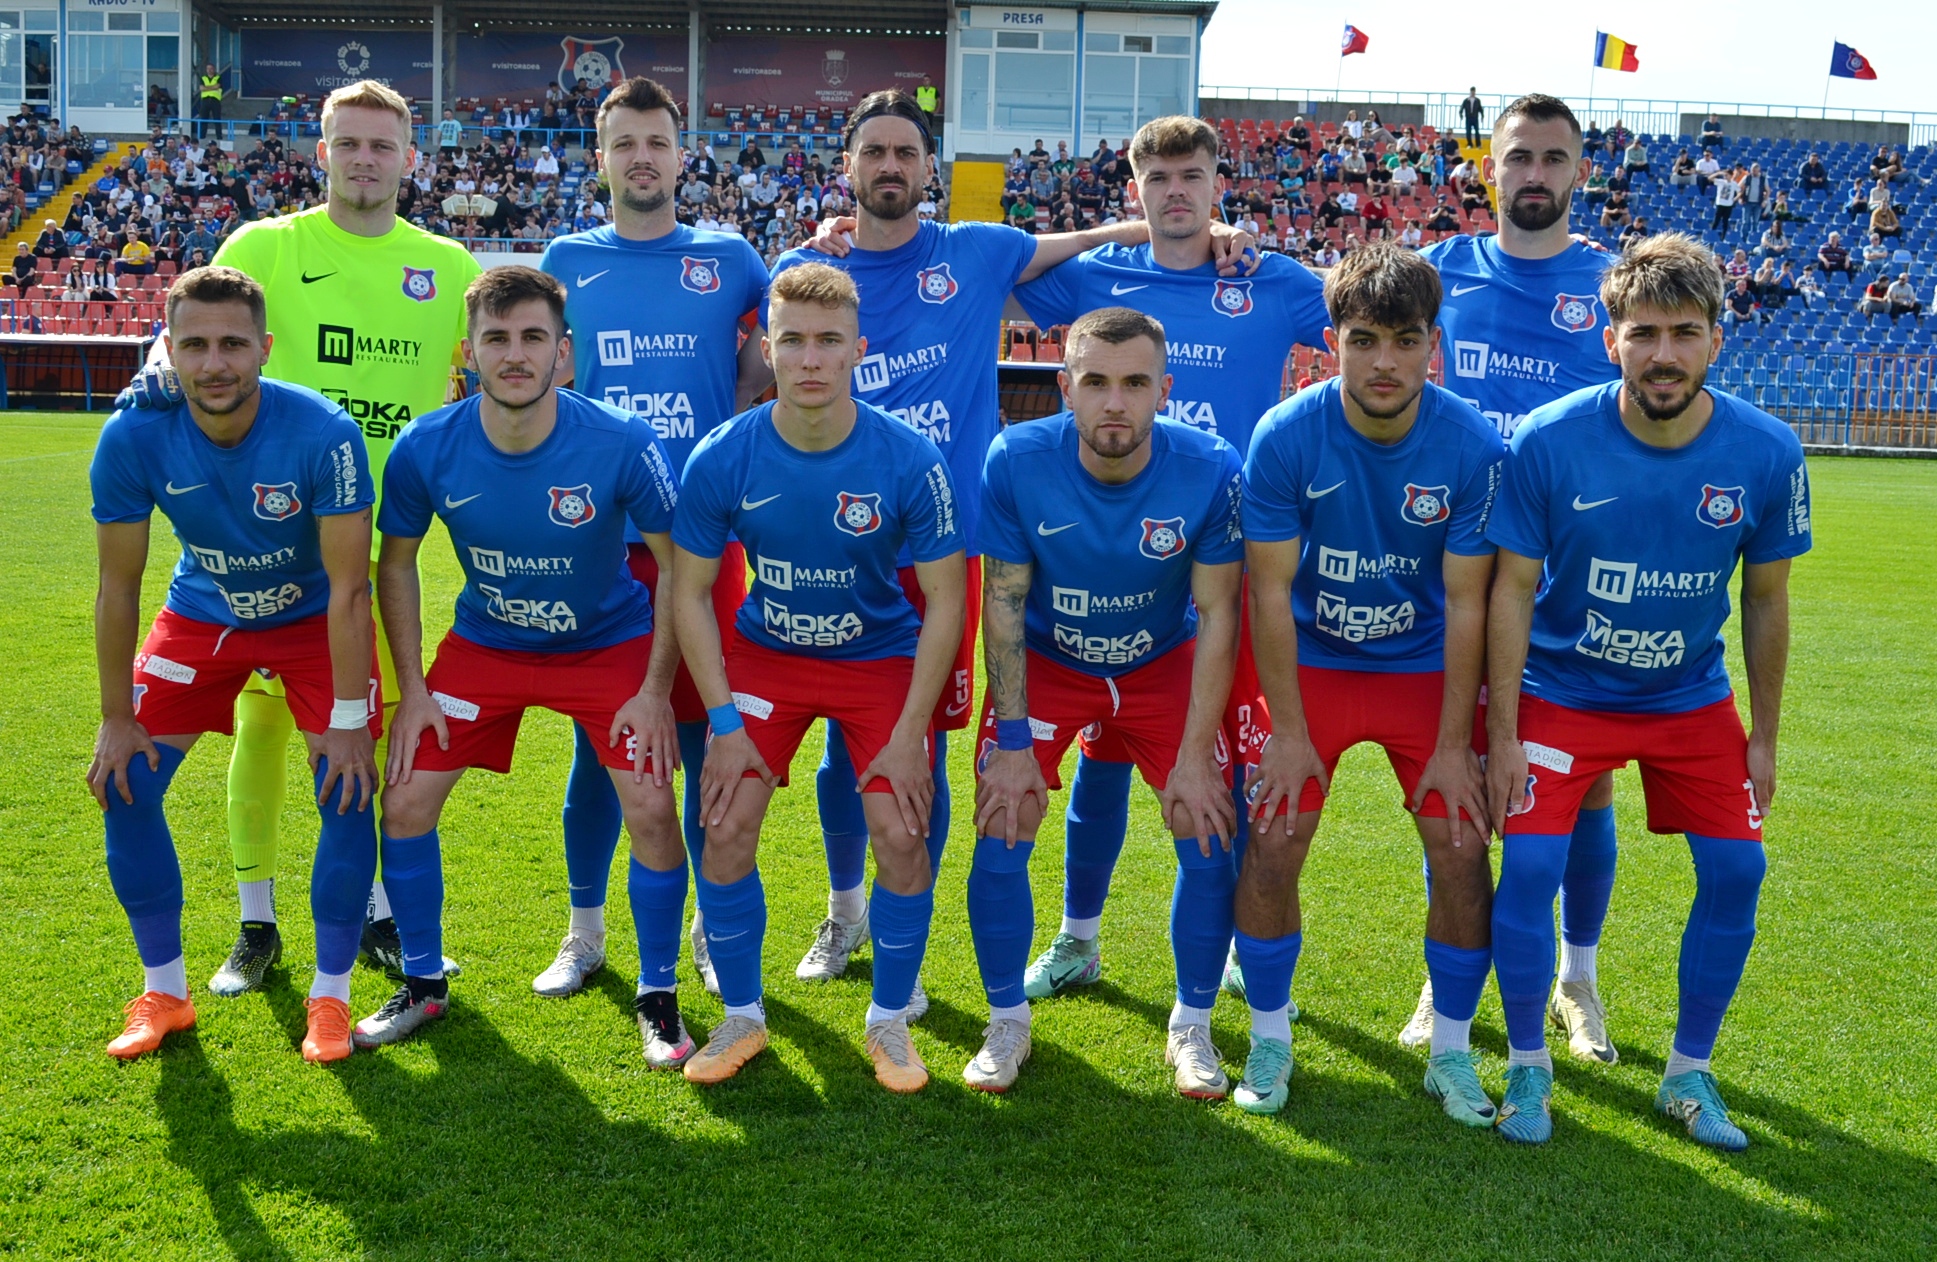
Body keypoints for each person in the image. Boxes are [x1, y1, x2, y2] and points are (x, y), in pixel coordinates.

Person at [781, 92, 1255, 995]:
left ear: (930, 169)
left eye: (904, 153)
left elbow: (1079, 246)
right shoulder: (812, 265)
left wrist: (1199, 224)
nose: (889, 167)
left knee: (924, 738)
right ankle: (846, 915)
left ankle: (1092, 942)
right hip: (835, 541)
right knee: (847, 745)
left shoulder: (977, 249)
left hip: (948, 548)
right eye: (872, 153)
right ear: (848, 168)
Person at [116, 79, 480, 992]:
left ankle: (377, 918)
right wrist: (147, 377)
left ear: (410, 158)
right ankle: (256, 922)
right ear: (321, 153)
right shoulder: (264, 245)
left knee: (367, 741)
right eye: (347, 144)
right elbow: (186, 341)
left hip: (372, 555)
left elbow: (516, 366)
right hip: (251, 550)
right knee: (262, 732)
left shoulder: (450, 265)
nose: (365, 159)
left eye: (382, 145)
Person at [1484, 231, 1811, 1149]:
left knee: (1739, 868)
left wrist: (1764, 738)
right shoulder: (1547, 441)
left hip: (1686, 698)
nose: (1662, 354)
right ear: (1610, 339)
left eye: (1682, 331)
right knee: (1535, 865)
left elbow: (1766, 598)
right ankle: (1526, 1067)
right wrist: (1502, 731)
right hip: (1562, 693)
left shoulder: (1766, 450)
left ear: (1715, 339)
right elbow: (1510, 590)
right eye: (1642, 333)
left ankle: (1686, 1074)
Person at [1007, 114, 1327, 1007]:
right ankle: (1078, 939)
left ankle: (1238, 937)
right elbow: (984, 272)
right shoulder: (1099, 278)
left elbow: (1375, 312)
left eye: (1191, 176)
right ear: (1136, 189)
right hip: (1114, 570)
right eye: (1157, 179)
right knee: (1102, 765)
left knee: (1235, 770)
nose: (1176, 192)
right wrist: (1112, 233)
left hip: (1230, 562)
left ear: (1218, 181)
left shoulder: (1268, 278)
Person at [361, 265, 688, 1059]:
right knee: (403, 802)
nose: (514, 354)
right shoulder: (426, 447)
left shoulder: (621, 441)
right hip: (487, 647)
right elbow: (394, 564)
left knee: (649, 810)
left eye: (532, 337)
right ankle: (424, 983)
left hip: (606, 647)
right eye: (496, 338)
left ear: (563, 355)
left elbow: (679, 564)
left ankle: (658, 992)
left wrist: (654, 691)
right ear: (468, 352)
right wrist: (414, 691)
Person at [668, 262, 967, 1092]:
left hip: (878, 657)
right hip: (770, 657)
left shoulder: (908, 458)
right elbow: (688, 592)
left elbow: (946, 602)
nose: (809, 359)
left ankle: (889, 1020)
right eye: (791, 340)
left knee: (903, 834)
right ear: (766, 349)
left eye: (828, 342)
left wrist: (911, 735)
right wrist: (724, 727)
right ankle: (742, 1017)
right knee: (723, 826)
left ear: (857, 352)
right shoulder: (724, 456)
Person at [86, 266, 381, 1064]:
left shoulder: (322, 431)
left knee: (347, 791)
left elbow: (351, 592)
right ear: (169, 351)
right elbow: (118, 587)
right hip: (203, 617)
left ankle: (330, 997)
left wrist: (350, 723)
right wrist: (117, 719)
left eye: (232, 344)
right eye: (195, 345)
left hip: (313, 625)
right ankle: (165, 992)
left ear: (264, 349)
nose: (214, 363)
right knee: (127, 782)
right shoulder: (133, 434)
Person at [1239, 243, 1504, 1121]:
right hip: (1312, 664)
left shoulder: (1470, 445)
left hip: (1423, 670)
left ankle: (1452, 1049)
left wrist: (1454, 743)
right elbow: (1268, 593)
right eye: (1363, 340)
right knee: (1274, 838)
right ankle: (1270, 1038)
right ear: (1331, 341)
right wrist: (1284, 729)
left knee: (1463, 846)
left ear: (1435, 343)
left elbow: (1468, 603)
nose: (1383, 363)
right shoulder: (1284, 435)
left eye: (1403, 340)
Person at [966, 305, 1243, 1096]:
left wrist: (1195, 756)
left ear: (1165, 389)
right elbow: (1005, 602)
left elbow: (1219, 611)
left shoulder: (1211, 465)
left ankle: (1191, 1025)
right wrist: (1012, 739)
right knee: (1003, 819)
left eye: (1132, 384)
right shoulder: (1016, 458)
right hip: (1052, 663)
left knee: (1205, 821)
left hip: (1161, 663)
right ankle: (1006, 1021)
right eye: (1093, 382)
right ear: (1063, 387)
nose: (1113, 403)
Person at [537, 76, 772, 998]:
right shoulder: (566, 255)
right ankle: (585, 930)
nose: (642, 157)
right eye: (624, 142)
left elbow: (776, 346)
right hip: (597, 543)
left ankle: (711, 927)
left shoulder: (732, 256)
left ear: (682, 154)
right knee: (600, 749)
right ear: (601, 158)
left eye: (657, 142)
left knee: (707, 734)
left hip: (703, 544)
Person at [1416, 94, 1624, 1058]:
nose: (1533, 173)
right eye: (1517, 157)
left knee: (1582, 788)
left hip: (1569, 570)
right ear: (1485, 170)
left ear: (1577, 171)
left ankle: (1575, 976)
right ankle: (1443, 976)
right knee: (1454, 778)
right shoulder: (1438, 272)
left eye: (1552, 157)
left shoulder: (1612, 285)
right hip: (1450, 566)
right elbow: (1325, 304)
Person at [1710, 167, 1740, 234]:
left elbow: (1739, 192)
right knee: (1716, 220)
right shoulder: (1721, 181)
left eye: (1727, 175)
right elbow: (1710, 178)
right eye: (1724, 175)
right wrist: (1717, 173)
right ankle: (1712, 232)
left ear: (1731, 175)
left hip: (1728, 205)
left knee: (1725, 221)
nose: (1725, 176)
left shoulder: (1734, 184)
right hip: (1720, 204)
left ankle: (1724, 235)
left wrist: (1735, 198)